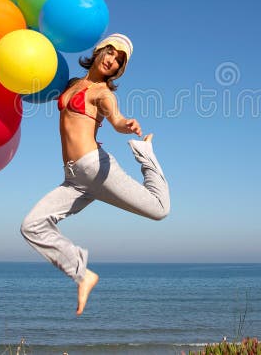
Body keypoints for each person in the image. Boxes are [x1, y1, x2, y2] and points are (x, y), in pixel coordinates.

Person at [20, 33, 170, 315]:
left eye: (119, 62)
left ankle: (146, 153)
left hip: (96, 168)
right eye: (110, 53)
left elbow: (115, 117)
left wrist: (124, 124)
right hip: (74, 178)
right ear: (100, 51)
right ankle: (82, 273)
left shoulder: (103, 93)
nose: (112, 61)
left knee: (160, 210)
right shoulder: (72, 84)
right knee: (31, 226)